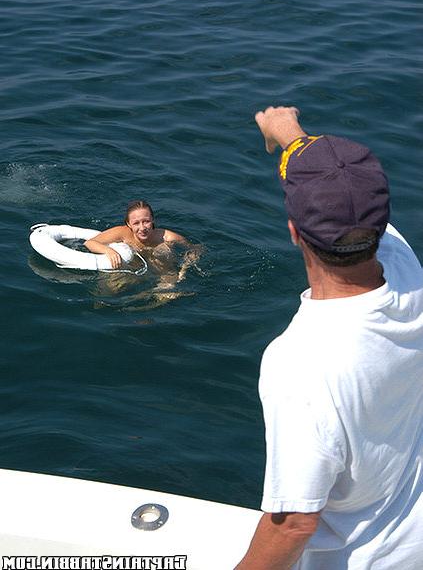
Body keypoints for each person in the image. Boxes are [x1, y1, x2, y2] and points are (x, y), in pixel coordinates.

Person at [236, 106, 423, 569]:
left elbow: (294, 524)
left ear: (294, 233)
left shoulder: (299, 364)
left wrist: (284, 132)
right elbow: (345, 192)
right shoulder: (406, 269)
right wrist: (290, 135)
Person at [84, 200, 200, 282]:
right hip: (134, 268)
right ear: (128, 224)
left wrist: (185, 267)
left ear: (153, 220)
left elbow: (197, 249)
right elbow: (89, 243)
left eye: (146, 221)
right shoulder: (122, 233)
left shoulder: (167, 237)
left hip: (162, 272)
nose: (142, 228)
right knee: (109, 289)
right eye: (136, 223)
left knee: (162, 251)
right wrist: (108, 251)